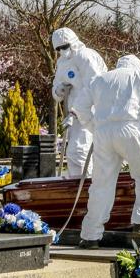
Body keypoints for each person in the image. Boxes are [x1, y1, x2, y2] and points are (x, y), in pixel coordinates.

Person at [72, 55, 140, 249]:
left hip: (103, 133)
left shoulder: (99, 79)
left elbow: (79, 107)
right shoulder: (138, 77)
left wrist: (94, 127)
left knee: (101, 185)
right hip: (130, 129)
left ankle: (90, 236)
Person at [52, 27, 107, 177]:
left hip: (91, 110)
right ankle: (77, 184)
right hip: (74, 113)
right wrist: (58, 90)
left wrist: (77, 110)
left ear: (73, 42)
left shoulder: (86, 56)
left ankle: (84, 184)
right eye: (59, 48)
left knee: (80, 149)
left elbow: (94, 86)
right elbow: (56, 85)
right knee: (75, 150)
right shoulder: (62, 62)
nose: (62, 51)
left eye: (65, 47)